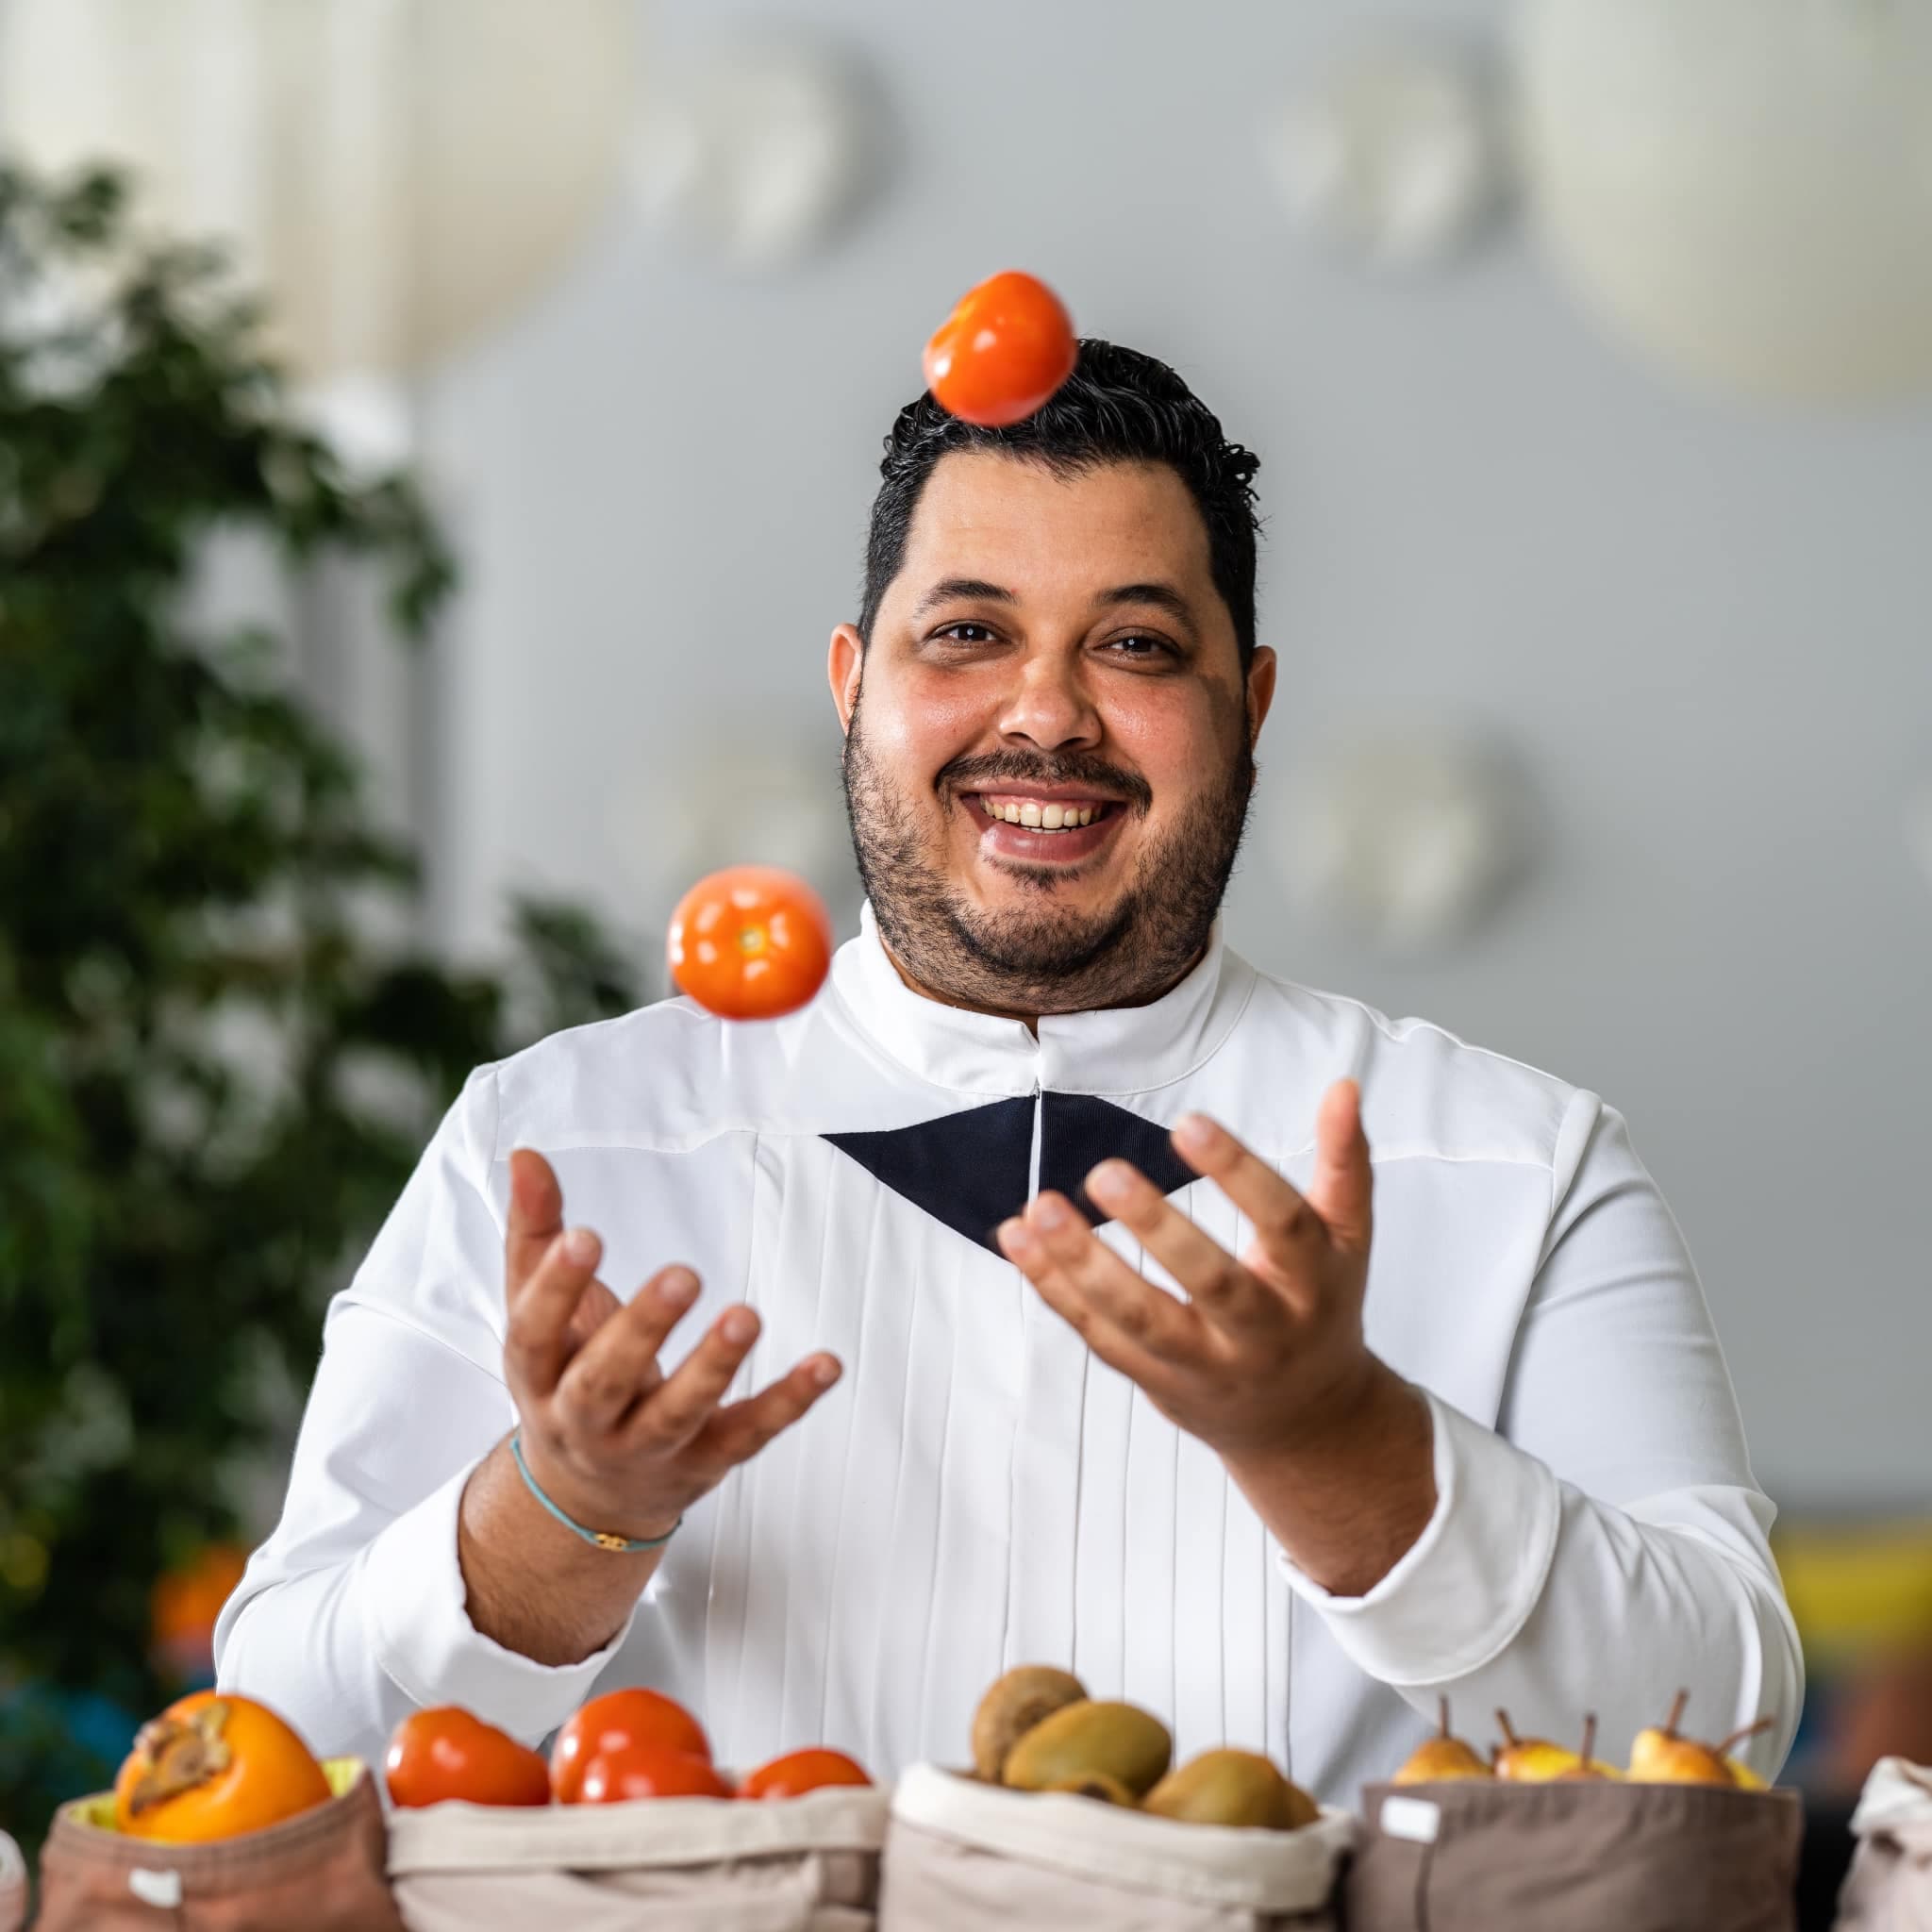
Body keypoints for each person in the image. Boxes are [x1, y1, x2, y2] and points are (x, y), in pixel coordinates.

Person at [214, 342, 1803, 1798]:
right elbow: (274, 1735)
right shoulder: (553, 1145)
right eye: (968, 633)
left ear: (1246, 709)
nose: (1045, 713)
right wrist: (560, 1508)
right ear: (854, 688)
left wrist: (1343, 1445)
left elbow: (1727, 1714)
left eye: (1135, 643)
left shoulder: (1524, 1167)